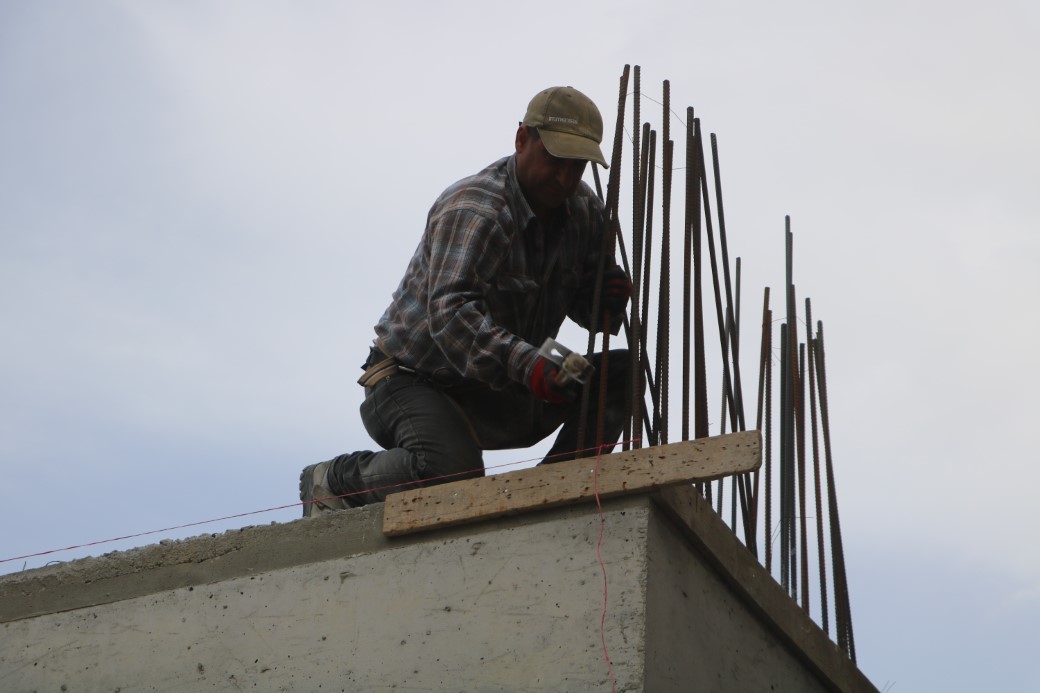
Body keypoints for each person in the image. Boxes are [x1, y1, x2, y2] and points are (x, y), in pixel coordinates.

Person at [300, 86, 632, 516]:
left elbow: (589, 313)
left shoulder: (584, 211)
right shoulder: (477, 209)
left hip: (509, 372)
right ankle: (335, 480)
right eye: (556, 162)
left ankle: (551, 496)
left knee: (618, 376)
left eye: (578, 168)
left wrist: (605, 300)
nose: (565, 179)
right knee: (452, 477)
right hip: (415, 377)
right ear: (521, 140)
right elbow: (451, 316)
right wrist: (530, 363)